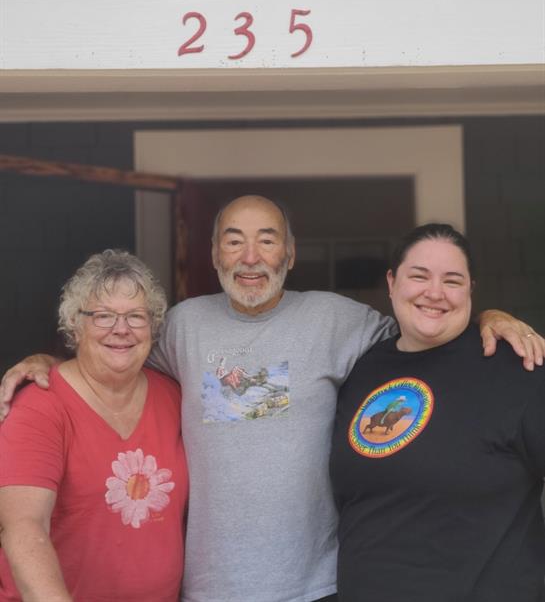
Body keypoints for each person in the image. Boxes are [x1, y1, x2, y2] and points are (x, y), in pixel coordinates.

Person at [0, 197, 543, 602]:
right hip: (208, 588)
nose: (251, 257)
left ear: (290, 252)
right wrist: (47, 362)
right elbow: (115, 351)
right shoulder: (183, 326)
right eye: (234, 240)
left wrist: (491, 318)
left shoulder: (338, 319)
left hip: (316, 585)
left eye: (267, 239)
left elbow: (425, 327)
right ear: (214, 253)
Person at [330, 224, 545, 601]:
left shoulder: (519, 368)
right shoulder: (363, 369)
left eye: (452, 280)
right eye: (419, 276)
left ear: (470, 290)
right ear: (392, 282)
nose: (434, 292)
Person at [0, 250, 188, 602]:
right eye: (103, 316)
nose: (121, 329)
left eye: (136, 316)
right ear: (75, 324)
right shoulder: (40, 406)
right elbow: (24, 526)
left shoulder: (173, 397)